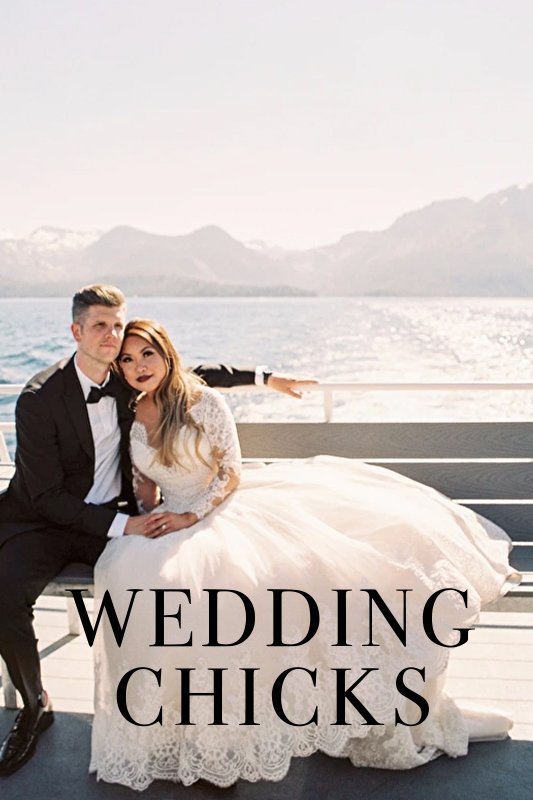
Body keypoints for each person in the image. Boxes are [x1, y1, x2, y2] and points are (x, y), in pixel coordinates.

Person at [90, 317, 519, 791]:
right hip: (173, 519)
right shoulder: (131, 413)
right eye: (127, 360)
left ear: (166, 353)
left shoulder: (202, 401)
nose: (137, 366)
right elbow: (147, 485)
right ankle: (193, 733)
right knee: (136, 580)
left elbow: (229, 472)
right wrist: (148, 511)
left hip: (221, 509)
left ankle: (317, 715)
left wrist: (192, 517)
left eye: (147, 354)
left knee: (259, 584)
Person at [0, 284, 314, 777]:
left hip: (111, 516)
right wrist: (127, 524)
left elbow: (189, 376)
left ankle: (185, 721)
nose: (111, 336)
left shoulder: (126, 377)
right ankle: (33, 703)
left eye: (117, 325)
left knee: (171, 585)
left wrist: (265, 378)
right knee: (2, 591)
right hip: (45, 520)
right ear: (76, 331)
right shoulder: (39, 399)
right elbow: (44, 497)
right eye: (99, 325)